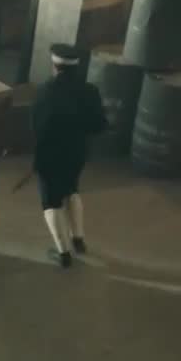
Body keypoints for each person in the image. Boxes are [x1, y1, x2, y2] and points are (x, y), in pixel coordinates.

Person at [32, 42, 109, 269]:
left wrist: (38, 159)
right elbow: (99, 125)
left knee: (51, 201)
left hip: (50, 155)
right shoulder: (90, 91)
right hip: (77, 152)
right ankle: (78, 240)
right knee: (72, 189)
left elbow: (38, 129)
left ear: (55, 66)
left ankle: (63, 253)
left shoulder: (45, 92)